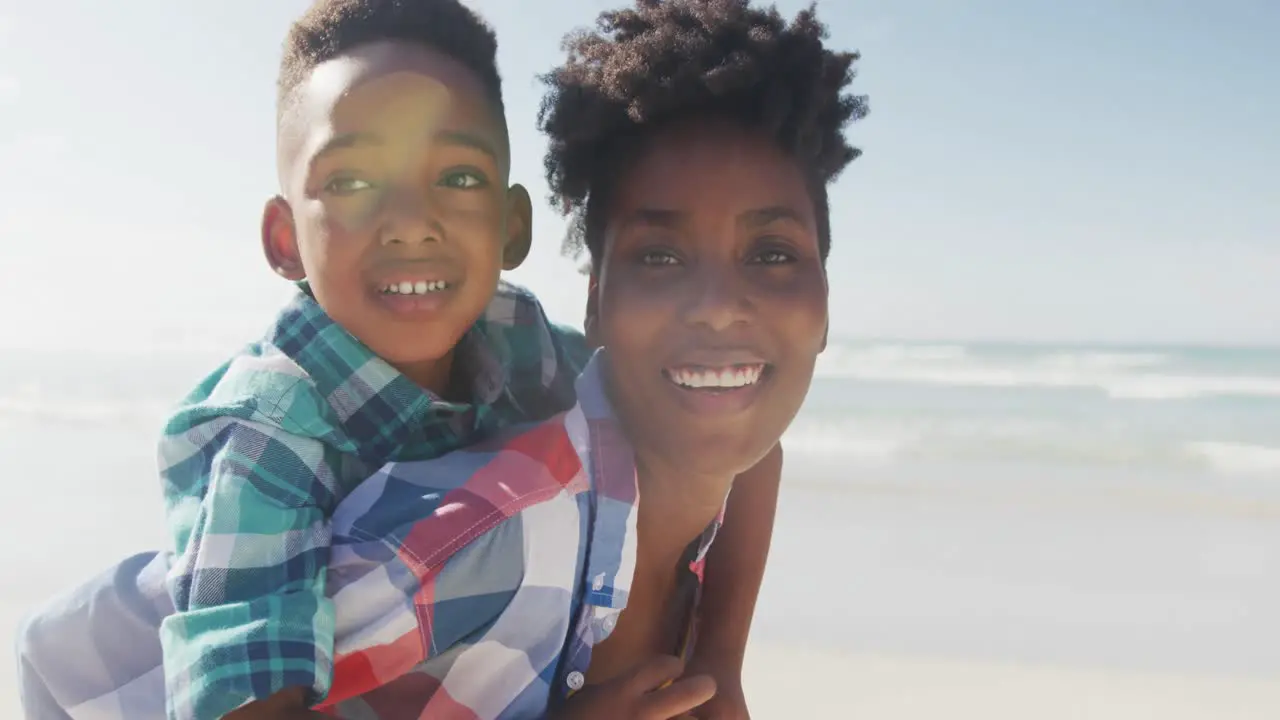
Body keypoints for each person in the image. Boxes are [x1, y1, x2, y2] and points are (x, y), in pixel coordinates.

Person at [14, 0, 812, 718]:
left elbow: (734, 442)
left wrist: (720, 663)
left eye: (457, 176)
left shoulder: (517, 341)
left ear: (510, 226)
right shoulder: (264, 434)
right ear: (284, 240)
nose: (409, 221)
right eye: (353, 179)